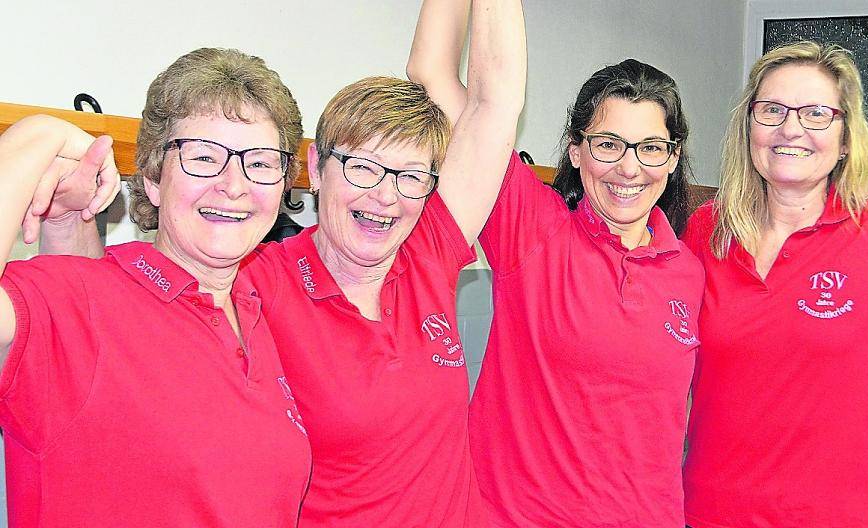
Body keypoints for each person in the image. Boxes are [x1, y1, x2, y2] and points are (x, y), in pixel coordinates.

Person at [233, 1, 525, 525]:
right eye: (363, 167)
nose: (386, 196)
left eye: (411, 175)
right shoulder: (260, 282)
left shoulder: (428, 250)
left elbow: (495, 101)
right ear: (316, 170)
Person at [409, 15, 704, 528]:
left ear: (674, 158)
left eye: (651, 147)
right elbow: (432, 73)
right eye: (608, 144)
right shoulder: (532, 231)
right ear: (577, 151)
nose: (629, 169)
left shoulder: (691, 271)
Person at [1, 48, 312, 526]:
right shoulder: (77, 297)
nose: (234, 185)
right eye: (203, 157)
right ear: (151, 179)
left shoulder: (256, 310)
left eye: (262, 162)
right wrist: (34, 135)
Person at [681, 41, 868, 528]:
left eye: (817, 113)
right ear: (749, 126)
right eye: (772, 110)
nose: (791, 128)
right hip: (716, 513)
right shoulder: (705, 231)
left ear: (846, 138)